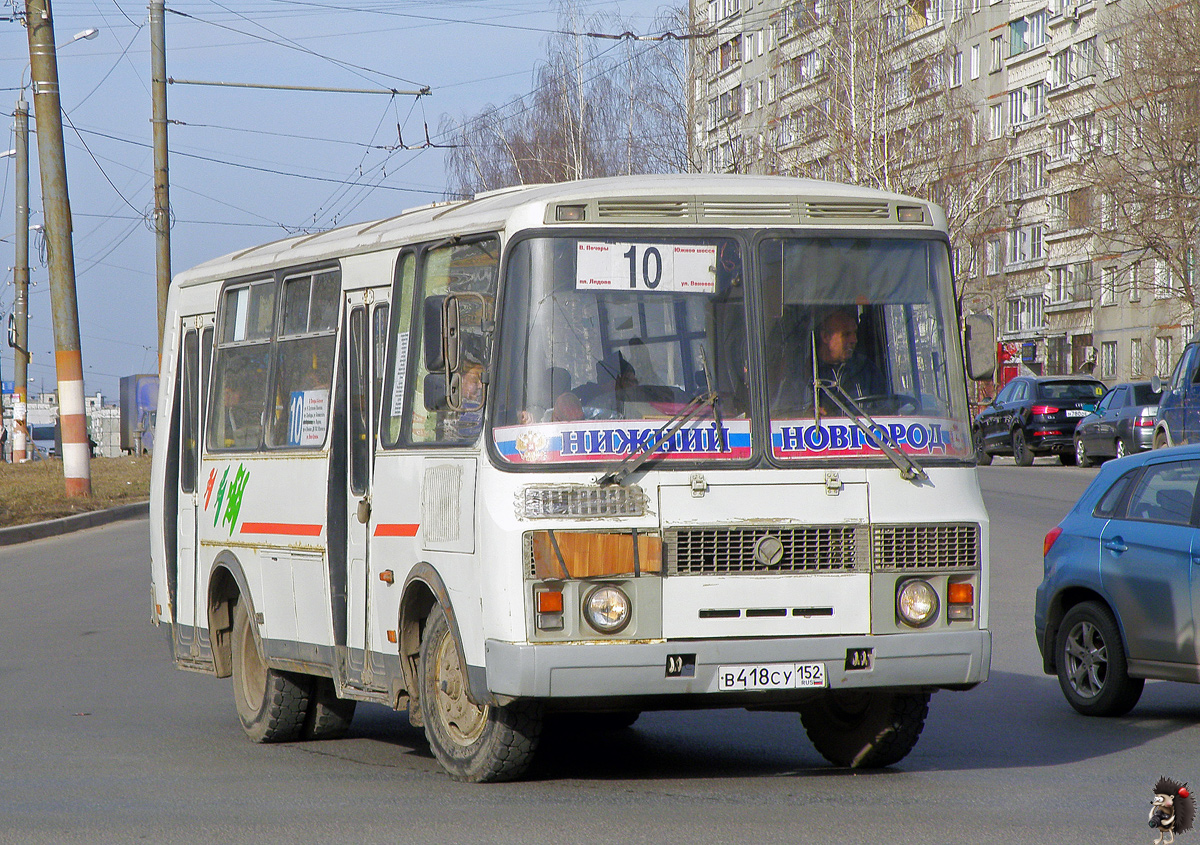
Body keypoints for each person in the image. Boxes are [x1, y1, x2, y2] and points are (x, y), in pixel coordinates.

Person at [813, 307, 886, 401]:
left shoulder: (867, 371)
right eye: (846, 334)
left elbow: (886, 408)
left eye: (855, 333)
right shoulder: (808, 373)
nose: (854, 340)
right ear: (826, 337)